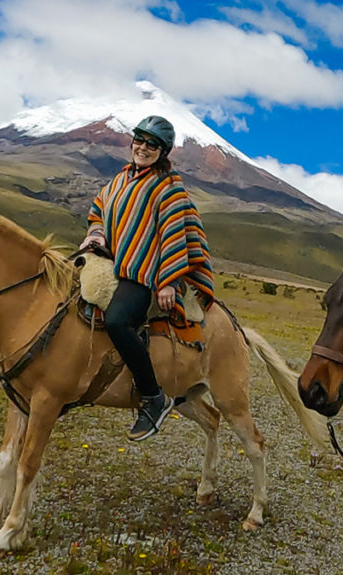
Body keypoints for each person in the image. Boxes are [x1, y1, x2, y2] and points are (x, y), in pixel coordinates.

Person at [79, 115, 214, 441]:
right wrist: (96, 235)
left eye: (152, 144)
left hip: (145, 275)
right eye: (139, 140)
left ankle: (153, 397)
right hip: (114, 264)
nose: (142, 147)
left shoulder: (169, 188)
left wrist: (167, 280)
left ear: (163, 151)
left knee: (118, 320)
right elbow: (98, 212)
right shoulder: (119, 180)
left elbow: (174, 233)